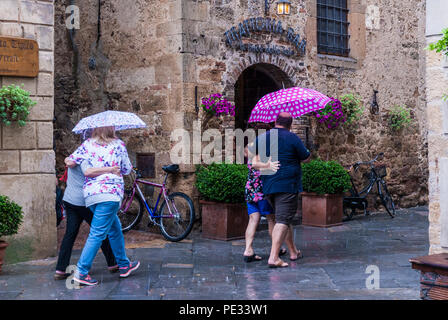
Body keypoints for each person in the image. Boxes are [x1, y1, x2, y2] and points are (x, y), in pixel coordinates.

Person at [69, 126, 140, 286]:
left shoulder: (87, 144)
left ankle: (124, 265)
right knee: (97, 234)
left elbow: (71, 160)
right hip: (110, 194)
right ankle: (81, 272)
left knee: (114, 228)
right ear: (111, 129)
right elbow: (127, 169)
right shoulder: (118, 145)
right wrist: (111, 168)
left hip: (91, 196)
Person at [249, 112, 311, 268]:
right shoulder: (292, 138)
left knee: (283, 218)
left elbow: (251, 157)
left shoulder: (263, 137)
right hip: (287, 185)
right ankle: (274, 257)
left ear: (275, 121)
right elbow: (306, 157)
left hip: (268, 185)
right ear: (290, 124)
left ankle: (293, 252)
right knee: (283, 220)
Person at [54, 156, 121, 280]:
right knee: (100, 232)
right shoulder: (87, 160)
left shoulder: (73, 157)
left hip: (70, 199)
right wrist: (110, 170)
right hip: (83, 202)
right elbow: (89, 173)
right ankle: (113, 263)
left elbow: (68, 161)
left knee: (70, 234)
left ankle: (61, 269)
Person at [243, 131, 286, 263]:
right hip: (261, 191)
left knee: (253, 219)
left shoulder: (249, 150)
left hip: (250, 190)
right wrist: (268, 164)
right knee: (271, 219)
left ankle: (248, 250)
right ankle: (276, 249)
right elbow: (256, 164)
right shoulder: (259, 152)